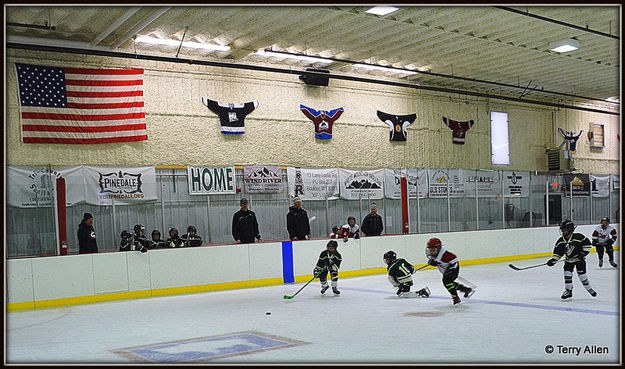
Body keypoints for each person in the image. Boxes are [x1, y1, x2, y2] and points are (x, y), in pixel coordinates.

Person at [546, 220, 596, 300]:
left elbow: (587, 245)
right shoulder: (561, 241)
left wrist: (582, 254)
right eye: (562, 230)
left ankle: (589, 288)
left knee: (582, 276)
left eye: (564, 230)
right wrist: (553, 260)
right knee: (567, 275)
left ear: (570, 229)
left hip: (579, 260)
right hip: (568, 261)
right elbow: (558, 253)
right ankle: (568, 291)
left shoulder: (579, 237)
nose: (562, 231)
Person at [425, 237, 474, 305]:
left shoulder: (446, 254)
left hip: (453, 268)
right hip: (445, 269)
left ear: (438, 249)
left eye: (433, 250)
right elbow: (432, 258)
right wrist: (431, 261)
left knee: (446, 281)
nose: (431, 251)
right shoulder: (430, 253)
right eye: (430, 250)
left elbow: (455, 260)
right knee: (448, 283)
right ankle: (465, 289)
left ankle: (456, 297)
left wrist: (451, 269)